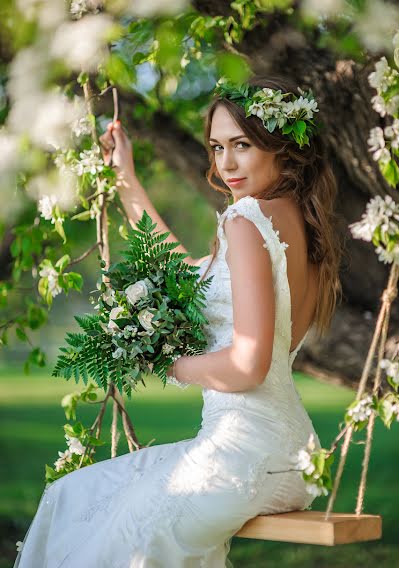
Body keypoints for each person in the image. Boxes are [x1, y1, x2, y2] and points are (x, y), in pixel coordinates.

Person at [14, 75, 343, 567]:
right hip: (278, 453)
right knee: (72, 496)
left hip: (246, 455)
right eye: (216, 147)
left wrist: (166, 362)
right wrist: (125, 174)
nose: (225, 163)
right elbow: (181, 270)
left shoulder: (247, 219)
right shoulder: (298, 225)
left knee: (115, 546)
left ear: (282, 146)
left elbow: (248, 366)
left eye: (242, 145)